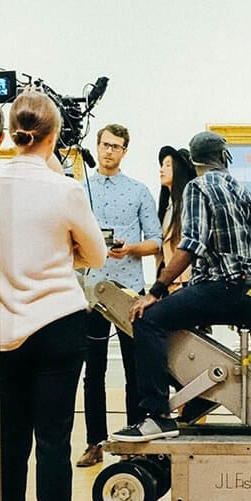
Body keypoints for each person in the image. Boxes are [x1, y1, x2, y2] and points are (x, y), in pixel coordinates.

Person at [0, 90, 106, 501]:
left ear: (11, 132)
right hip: (59, 321)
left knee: (11, 441)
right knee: (54, 442)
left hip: (4, 326)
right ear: (55, 136)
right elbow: (96, 255)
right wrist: (69, 251)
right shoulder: (65, 190)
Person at [109, 131, 251, 443]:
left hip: (217, 289)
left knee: (147, 319)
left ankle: (158, 416)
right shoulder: (243, 190)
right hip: (243, 292)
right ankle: (198, 396)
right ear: (224, 158)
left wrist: (155, 292)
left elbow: (191, 246)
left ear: (194, 161)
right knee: (176, 318)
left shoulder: (197, 187)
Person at [76, 124, 163, 468]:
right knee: (93, 372)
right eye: (105, 144)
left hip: (129, 292)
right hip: (92, 292)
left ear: (125, 151)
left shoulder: (139, 191)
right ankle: (94, 442)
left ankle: (133, 442)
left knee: (135, 370)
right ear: (97, 146)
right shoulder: (80, 190)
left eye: (116, 146)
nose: (109, 151)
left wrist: (130, 249)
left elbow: (155, 241)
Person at [156, 144, 198, 291]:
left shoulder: (188, 205)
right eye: (162, 165)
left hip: (186, 284)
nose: (161, 170)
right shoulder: (168, 207)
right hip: (169, 284)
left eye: (168, 165)